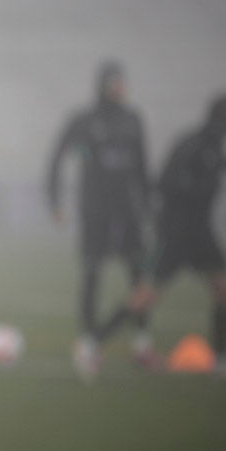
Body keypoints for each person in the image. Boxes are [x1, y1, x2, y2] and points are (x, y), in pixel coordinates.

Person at [99, 93, 226, 383]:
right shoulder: (194, 144)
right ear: (223, 116)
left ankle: (220, 360)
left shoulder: (214, 146)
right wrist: (194, 189)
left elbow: (219, 165)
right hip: (177, 234)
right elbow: (168, 182)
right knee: (144, 297)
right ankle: (93, 344)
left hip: (200, 234)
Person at [46, 61, 151, 380]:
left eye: (122, 82)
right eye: (113, 82)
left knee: (139, 275)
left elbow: (143, 169)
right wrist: (55, 200)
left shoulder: (133, 120)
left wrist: (148, 208)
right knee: (92, 275)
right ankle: (89, 342)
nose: (119, 88)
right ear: (102, 85)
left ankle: (142, 343)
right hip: (95, 212)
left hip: (128, 213)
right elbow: (57, 157)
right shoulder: (84, 121)